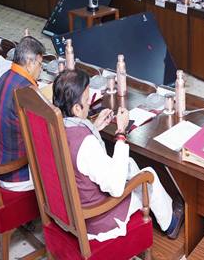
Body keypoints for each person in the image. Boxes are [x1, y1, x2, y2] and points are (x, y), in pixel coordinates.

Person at [52, 69, 184, 241]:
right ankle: (171, 223)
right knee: (149, 175)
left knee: (129, 163)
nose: (90, 103)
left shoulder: (55, 126)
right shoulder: (86, 144)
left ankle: (158, 208)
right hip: (98, 218)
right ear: (76, 108)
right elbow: (115, 187)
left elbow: (78, 153)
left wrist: (94, 127)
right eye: (87, 99)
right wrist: (121, 131)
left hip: (71, 205)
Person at [0, 36, 45, 192]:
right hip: (17, 173)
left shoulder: (4, 77)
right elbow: (43, 135)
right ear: (29, 63)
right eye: (40, 64)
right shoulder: (26, 92)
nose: (41, 69)